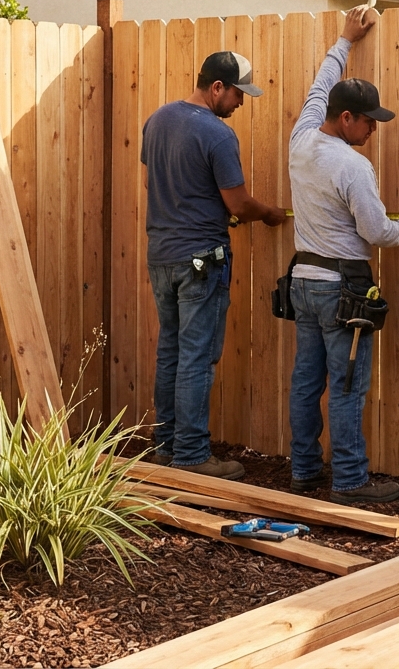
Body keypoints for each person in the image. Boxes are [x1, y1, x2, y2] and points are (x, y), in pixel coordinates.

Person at [287, 6, 399, 505]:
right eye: (369, 122)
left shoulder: (301, 140)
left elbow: (319, 89)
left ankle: (303, 472)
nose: (374, 130)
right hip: (343, 290)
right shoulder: (353, 167)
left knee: (305, 380)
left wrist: (344, 42)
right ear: (346, 119)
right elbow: (378, 232)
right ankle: (349, 481)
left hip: (303, 282)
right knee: (344, 384)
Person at [141, 50, 286, 479]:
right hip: (201, 258)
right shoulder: (217, 135)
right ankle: (192, 454)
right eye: (238, 93)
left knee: (170, 350)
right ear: (217, 87)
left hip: (161, 254)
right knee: (197, 356)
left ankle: (165, 447)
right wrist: (268, 213)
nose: (241, 103)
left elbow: (154, 183)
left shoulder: (158, 120)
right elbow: (238, 201)